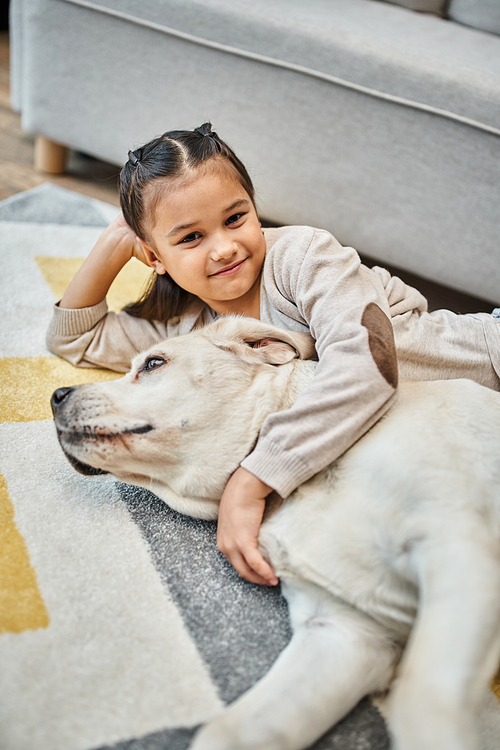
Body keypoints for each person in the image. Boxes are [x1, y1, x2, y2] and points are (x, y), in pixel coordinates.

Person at [47, 123, 500, 587]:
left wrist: (255, 478)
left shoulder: (303, 258)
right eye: (189, 238)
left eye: (235, 218)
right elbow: (76, 338)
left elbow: (368, 366)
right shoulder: (194, 336)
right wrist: (114, 242)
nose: (224, 248)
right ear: (153, 255)